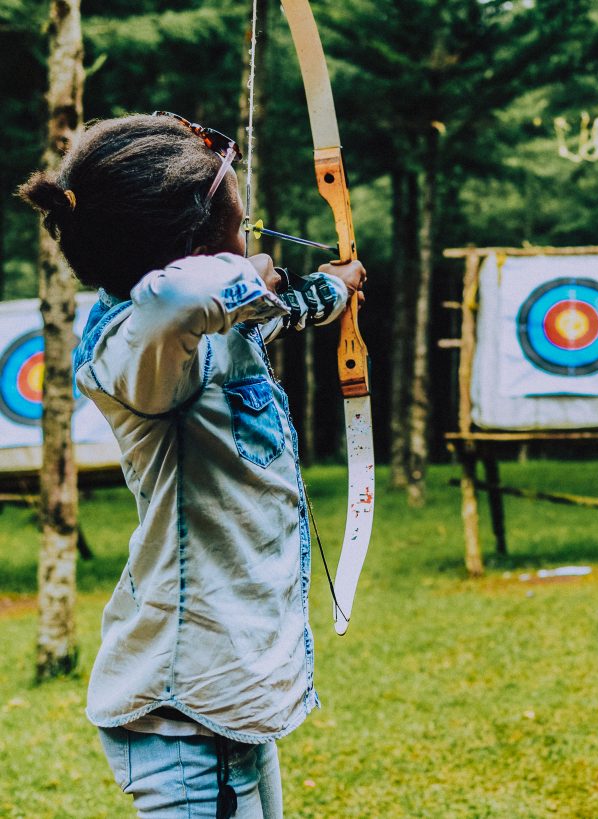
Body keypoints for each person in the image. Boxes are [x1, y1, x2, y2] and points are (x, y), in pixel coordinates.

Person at [18, 112, 366, 818]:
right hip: (182, 718)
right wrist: (243, 274)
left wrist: (335, 286)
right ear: (195, 243)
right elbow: (180, 299)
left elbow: (279, 310)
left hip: (228, 699)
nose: (250, 237)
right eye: (238, 225)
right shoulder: (133, 349)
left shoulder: (213, 328)